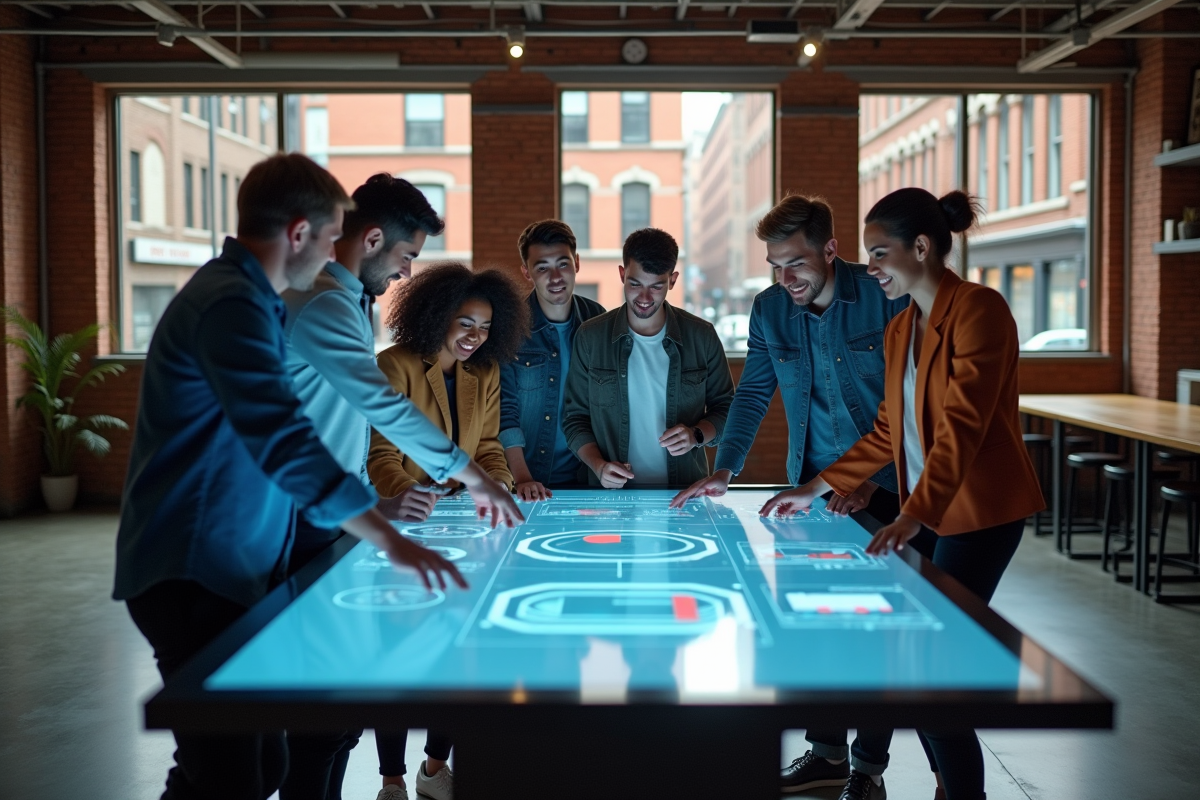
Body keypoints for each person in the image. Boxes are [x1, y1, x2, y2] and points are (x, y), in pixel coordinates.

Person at [113, 154, 496, 800]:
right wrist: (389, 533)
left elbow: (304, 433)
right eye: (327, 236)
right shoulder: (235, 303)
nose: (331, 252)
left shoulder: (255, 301)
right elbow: (287, 439)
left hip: (233, 560)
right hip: (191, 564)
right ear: (299, 233)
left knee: (256, 767)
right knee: (230, 773)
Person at [759, 188, 1045, 800]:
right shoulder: (901, 328)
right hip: (929, 512)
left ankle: (960, 792)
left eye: (880, 253)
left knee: (929, 671)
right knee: (917, 669)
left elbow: (961, 430)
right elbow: (889, 431)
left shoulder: (980, 310)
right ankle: (949, 787)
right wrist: (813, 487)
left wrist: (912, 515)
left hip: (978, 514)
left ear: (921, 248)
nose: (871, 268)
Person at [277, 174, 523, 800]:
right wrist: (469, 479)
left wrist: (375, 504)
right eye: (406, 257)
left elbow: (346, 437)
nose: (405, 273)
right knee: (318, 720)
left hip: (334, 517)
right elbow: (381, 417)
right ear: (374, 237)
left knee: (333, 719)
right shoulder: (323, 303)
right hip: (296, 522)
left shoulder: (347, 304)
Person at [669, 194, 908, 799]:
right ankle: (826, 754)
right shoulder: (770, 309)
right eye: (775, 265)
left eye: (796, 263)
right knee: (813, 624)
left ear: (831, 249)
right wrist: (725, 469)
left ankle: (867, 769)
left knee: (878, 632)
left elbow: (904, 407)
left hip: (887, 488)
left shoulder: (884, 297)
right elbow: (752, 396)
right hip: (810, 491)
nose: (786, 277)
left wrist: (864, 482)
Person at [366, 261, 531, 800]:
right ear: (437, 316)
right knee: (400, 656)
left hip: (468, 529)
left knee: (462, 654)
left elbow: (486, 448)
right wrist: (400, 496)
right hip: (407, 526)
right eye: (464, 322)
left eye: (483, 327)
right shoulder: (394, 366)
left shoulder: (484, 372)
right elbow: (383, 453)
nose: (474, 336)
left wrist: (499, 482)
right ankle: (391, 782)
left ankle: (434, 770)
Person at [562, 227, 733, 488]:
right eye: (635, 284)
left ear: (672, 280)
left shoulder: (702, 335)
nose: (644, 298)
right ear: (622, 274)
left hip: (683, 493)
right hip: (611, 499)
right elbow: (574, 418)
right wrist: (599, 467)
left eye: (656, 286)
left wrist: (696, 435)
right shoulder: (591, 337)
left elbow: (727, 408)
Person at [500, 219, 606, 501]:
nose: (556, 277)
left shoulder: (598, 319)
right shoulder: (510, 327)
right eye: (542, 267)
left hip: (589, 478)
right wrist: (523, 478)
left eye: (563, 264)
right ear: (526, 272)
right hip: (530, 481)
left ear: (577, 263)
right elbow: (504, 410)